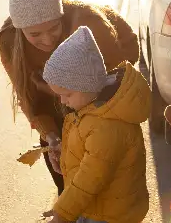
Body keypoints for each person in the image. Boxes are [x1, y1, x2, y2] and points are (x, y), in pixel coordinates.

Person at [0, 0, 139, 198]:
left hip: (102, 96)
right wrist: (52, 136)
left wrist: (96, 131)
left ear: (61, 16)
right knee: (68, 187)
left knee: (109, 186)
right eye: (35, 34)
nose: (47, 40)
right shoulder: (9, 40)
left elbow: (118, 84)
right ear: (20, 30)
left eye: (53, 28)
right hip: (53, 102)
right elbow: (31, 100)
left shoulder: (89, 24)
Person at [42, 26, 150, 223]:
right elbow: (87, 152)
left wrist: (62, 213)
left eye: (66, 94)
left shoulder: (106, 125)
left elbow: (90, 178)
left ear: (86, 85)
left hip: (108, 215)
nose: (62, 101)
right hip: (98, 206)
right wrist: (65, 155)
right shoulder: (92, 108)